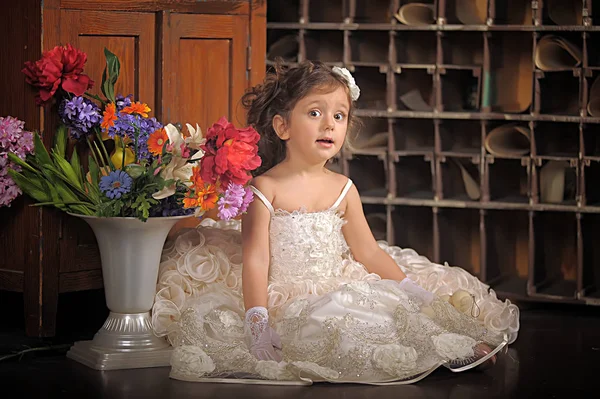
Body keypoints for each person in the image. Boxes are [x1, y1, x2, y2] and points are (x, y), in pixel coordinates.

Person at [151, 60, 520, 385]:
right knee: (328, 327)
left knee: (384, 313)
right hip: (288, 294)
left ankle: (445, 348)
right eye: (314, 113)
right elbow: (256, 260)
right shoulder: (265, 189)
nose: (328, 124)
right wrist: (257, 322)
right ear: (283, 126)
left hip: (337, 282)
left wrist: (416, 292)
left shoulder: (344, 188)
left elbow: (368, 252)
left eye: (339, 116)